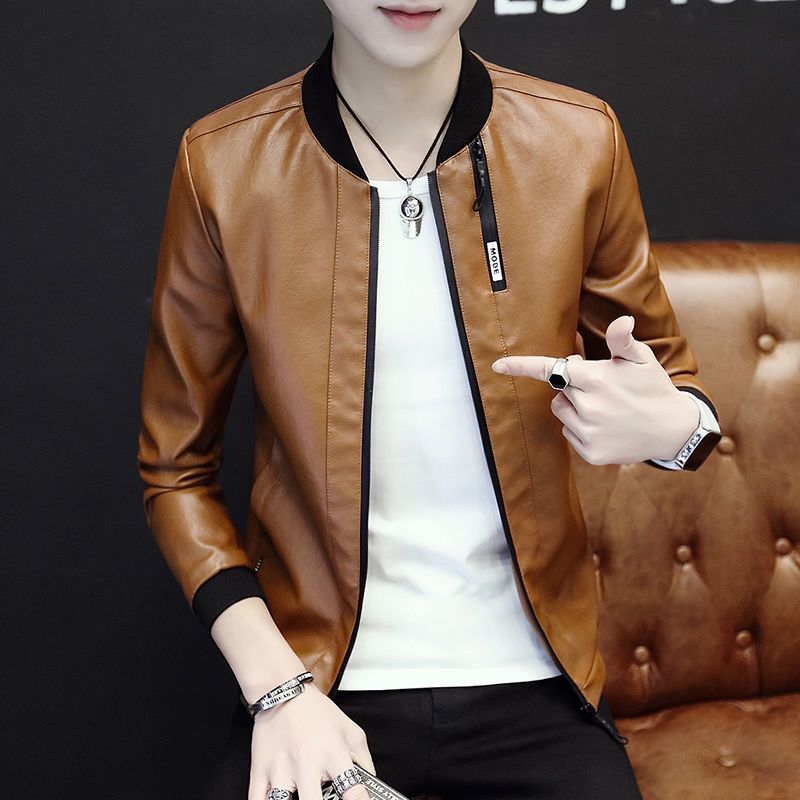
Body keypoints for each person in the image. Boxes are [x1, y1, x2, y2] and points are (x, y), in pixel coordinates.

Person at [136, 2, 722, 799]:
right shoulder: (224, 163)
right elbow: (175, 471)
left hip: (539, 686)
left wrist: (670, 427)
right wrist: (278, 690)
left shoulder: (578, 140)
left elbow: (682, 398)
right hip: (318, 683)